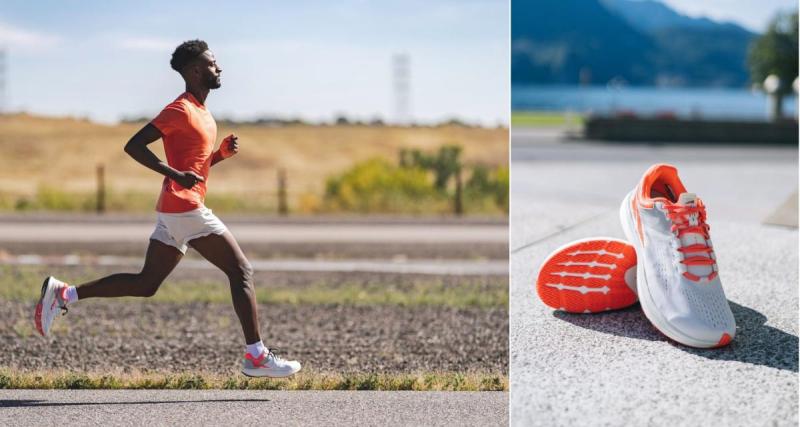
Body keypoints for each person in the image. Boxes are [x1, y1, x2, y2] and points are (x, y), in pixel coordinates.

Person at [33, 39, 301, 378]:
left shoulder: (203, 114)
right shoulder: (180, 110)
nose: (219, 68)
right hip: (184, 209)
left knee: (147, 284)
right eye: (212, 63)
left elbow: (194, 171)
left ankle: (64, 293)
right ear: (194, 71)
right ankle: (257, 357)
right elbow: (133, 145)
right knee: (241, 272)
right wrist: (173, 173)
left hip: (175, 209)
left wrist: (218, 157)